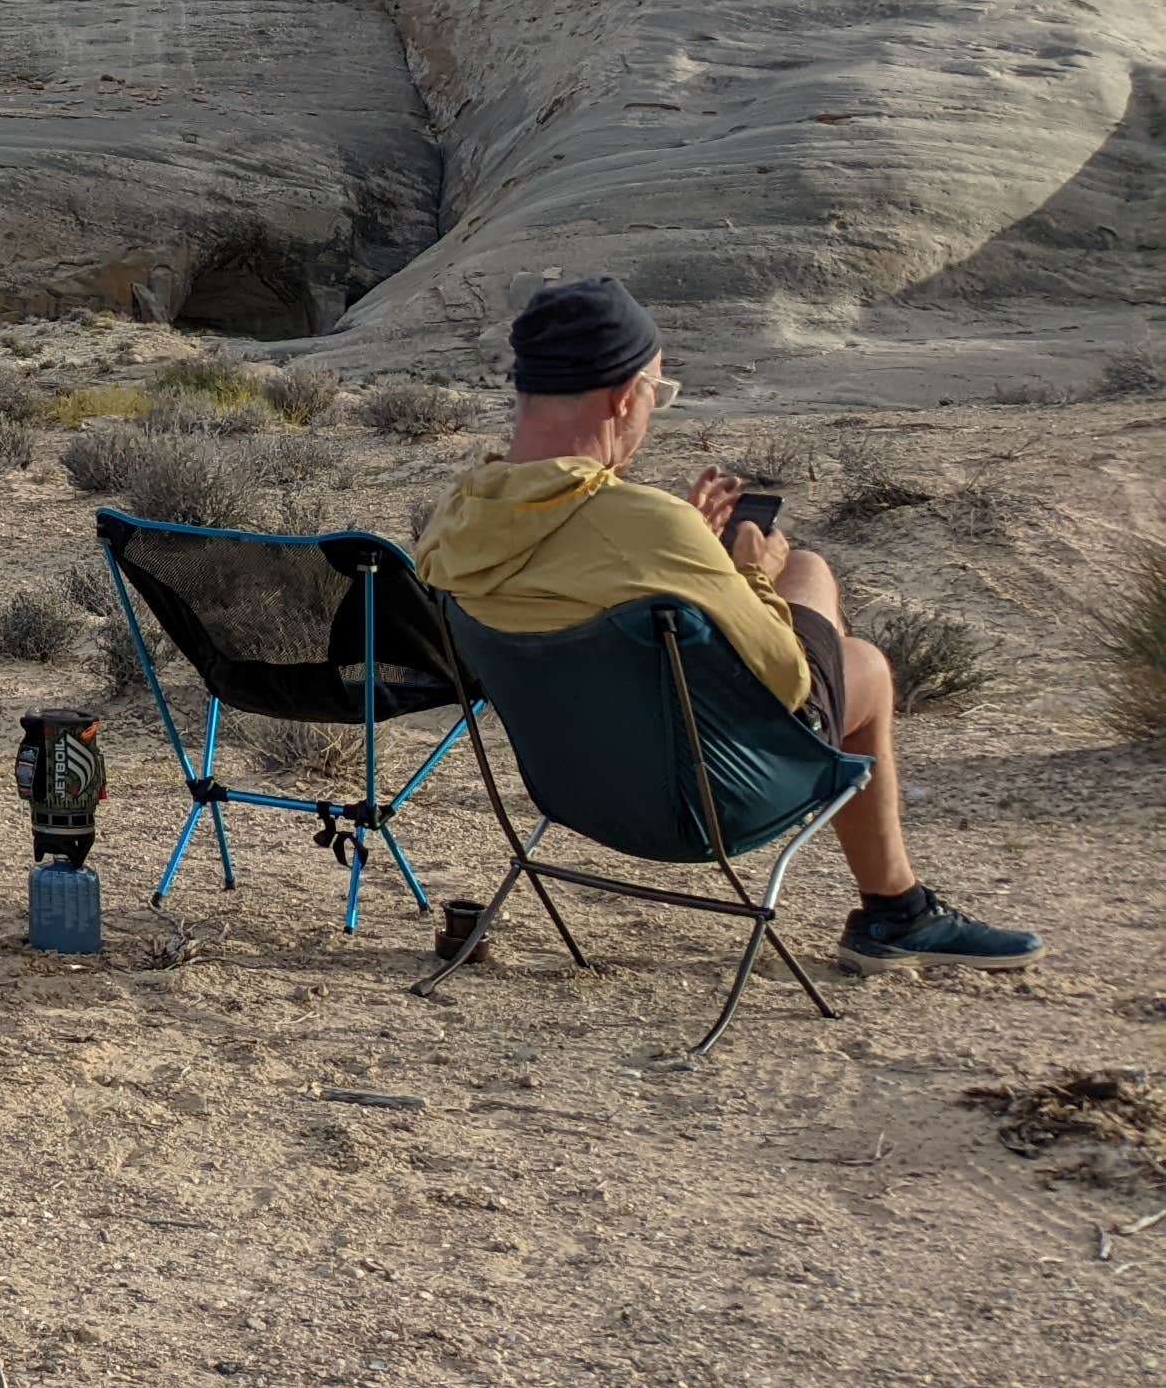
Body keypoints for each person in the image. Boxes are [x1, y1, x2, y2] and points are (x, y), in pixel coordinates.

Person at [412, 276, 1040, 971]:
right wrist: (745, 572)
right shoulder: (649, 527)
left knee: (801, 586)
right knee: (837, 618)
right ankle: (896, 911)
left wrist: (688, 553)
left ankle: (898, 912)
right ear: (624, 397)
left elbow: (580, 574)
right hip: (710, 803)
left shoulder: (459, 517)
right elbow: (788, 680)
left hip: (572, 792)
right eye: (659, 393)